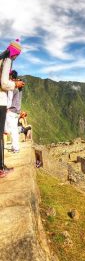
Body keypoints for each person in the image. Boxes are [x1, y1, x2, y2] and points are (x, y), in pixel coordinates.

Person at [0, 39, 24, 178]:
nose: (16, 57)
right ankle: (1, 168)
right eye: (17, 55)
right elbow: (4, 83)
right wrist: (16, 85)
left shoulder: (1, 58)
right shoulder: (7, 60)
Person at [5, 70, 23, 153]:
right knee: (14, 129)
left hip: (12, 111)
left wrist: (7, 108)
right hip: (17, 111)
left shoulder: (13, 86)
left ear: (11, 76)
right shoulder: (19, 85)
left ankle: (16, 148)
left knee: (12, 130)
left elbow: (9, 98)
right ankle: (14, 146)